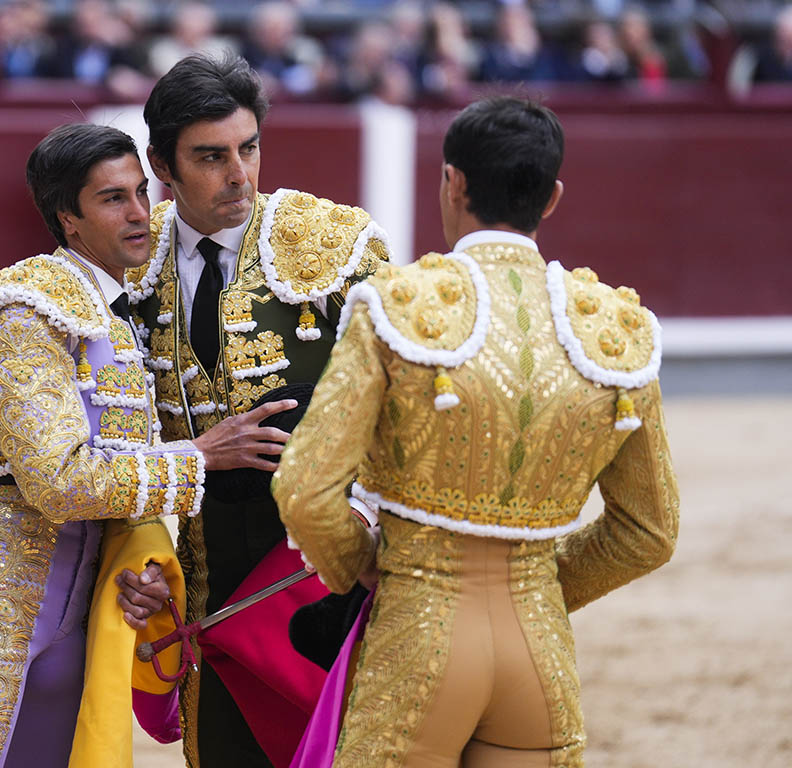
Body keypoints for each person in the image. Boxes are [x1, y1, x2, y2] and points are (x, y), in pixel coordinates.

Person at [275, 96, 680, 766]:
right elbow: (649, 533)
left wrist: (371, 568)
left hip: (418, 633)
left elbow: (305, 490)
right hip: (538, 650)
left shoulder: (396, 307)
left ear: (452, 181)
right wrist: (541, 587)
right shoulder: (617, 329)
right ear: (550, 198)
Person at [0, 123, 213, 768]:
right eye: (112, 199)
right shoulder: (25, 309)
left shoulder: (114, 317)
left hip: (82, 616)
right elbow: (61, 482)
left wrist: (148, 569)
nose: (140, 213)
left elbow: (118, 481)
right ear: (67, 219)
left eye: (141, 192)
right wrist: (204, 458)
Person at [129, 53, 390, 767]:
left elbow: (406, 406)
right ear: (162, 163)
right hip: (202, 574)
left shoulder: (337, 245)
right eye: (211, 157)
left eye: (248, 148)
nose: (239, 174)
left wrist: (365, 524)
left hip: (324, 573)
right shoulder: (125, 260)